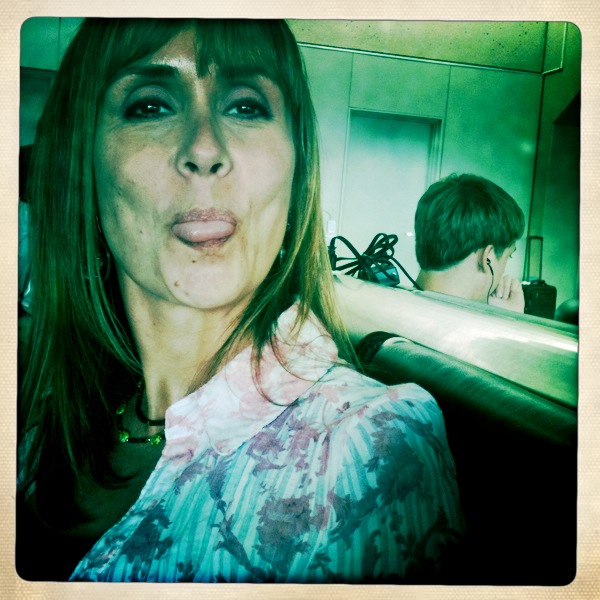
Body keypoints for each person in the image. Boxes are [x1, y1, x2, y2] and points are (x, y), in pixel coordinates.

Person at [18, 18, 464, 583]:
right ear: (85, 166)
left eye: (247, 106)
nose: (205, 149)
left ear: (297, 168)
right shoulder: (47, 418)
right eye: (150, 106)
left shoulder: (367, 444)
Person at [414, 173, 526, 313]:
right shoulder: (471, 327)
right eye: (508, 256)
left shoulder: (392, 302)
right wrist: (511, 319)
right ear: (487, 258)